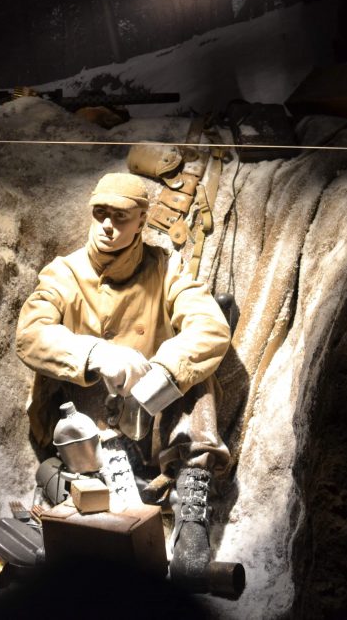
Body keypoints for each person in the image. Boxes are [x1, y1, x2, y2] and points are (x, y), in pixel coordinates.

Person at [14, 172, 233, 590]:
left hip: (151, 413)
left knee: (196, 378)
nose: (108, 226)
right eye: (100, 215)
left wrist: (164, 373)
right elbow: (30, 334)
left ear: (142, 221)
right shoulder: (64, 273)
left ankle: (190, 506)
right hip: (86, 415)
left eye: (121, 217)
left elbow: (210, 327)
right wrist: (96, 354)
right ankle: (103, 487)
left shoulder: (166, 270)